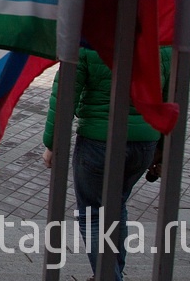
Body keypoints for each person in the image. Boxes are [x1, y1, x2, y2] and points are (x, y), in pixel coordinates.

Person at [42, 47, 170, 281]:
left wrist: (52, 142)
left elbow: (66, 92)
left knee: (91, 214)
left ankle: (109, 276)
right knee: (116, 207)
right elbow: (171, 97)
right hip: (144, 143)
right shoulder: (161, 40)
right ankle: (111, 272)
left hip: (99, 142)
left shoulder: (88, 39)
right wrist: (162, 146)